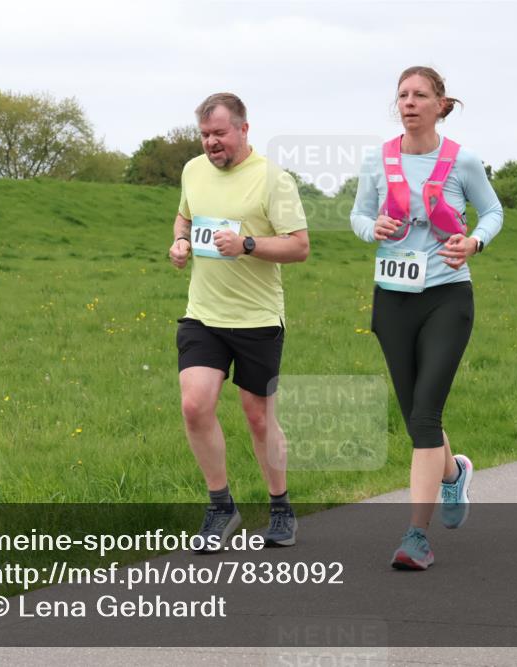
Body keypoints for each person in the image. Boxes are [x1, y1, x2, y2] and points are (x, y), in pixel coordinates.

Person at [349, 66, 503, 570]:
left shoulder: (464, 161)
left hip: (446, 297)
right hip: (392, 299)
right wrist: (374, 226)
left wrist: (474, 241)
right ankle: (454, 474)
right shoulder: (379, 159)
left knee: (423, 419)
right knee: (418, 409)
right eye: (402, 95)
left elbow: (494, 212)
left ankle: (416, 536)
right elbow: (357, 217)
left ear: (441, 104)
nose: (409, 102)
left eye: (420, 95)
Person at [169, 92, 310, 552]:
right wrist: (180, 244)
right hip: (204, 315)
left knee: (259, 418)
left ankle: (281, 507)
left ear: (244, 130)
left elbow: (299, 246)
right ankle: (220, 506)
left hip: (257, 319)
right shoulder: (192, 170)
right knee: (195, 405)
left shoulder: (273, 179)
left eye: (220, 134)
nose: (211, 143)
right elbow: (184, 218)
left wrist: (247, 245)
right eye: (205, 135)